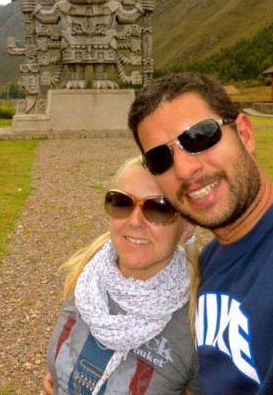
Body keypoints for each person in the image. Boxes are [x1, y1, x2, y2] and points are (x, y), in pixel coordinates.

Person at [127, 71, 273, 394]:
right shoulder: (208, 262)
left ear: (244, 133)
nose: (185, 169)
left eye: (200, 137)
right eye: (160, 158)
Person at [43, 156, 201, 395]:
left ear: (187, 226)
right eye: (122, 202)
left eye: (159, 207)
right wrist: (63, 375)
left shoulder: (197, 321)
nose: (135, 221)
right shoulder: (87, 276)